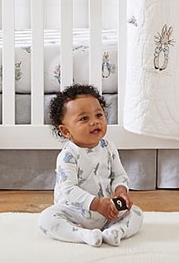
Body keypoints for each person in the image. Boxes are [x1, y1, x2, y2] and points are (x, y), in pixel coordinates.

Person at [38, 83, 143, 247]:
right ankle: (83, 234)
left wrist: (120, 192)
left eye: (99, 115)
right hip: (75, 214)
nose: (94, 122)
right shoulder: (68, 155)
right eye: (84, 118)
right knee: (46, 219)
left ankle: (115, 231)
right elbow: (68, 190)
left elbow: (119, 175)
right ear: (66, 131)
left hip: (108, 210)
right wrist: (96, 204)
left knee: (136, 213)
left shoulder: (109, 148)